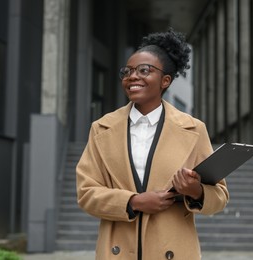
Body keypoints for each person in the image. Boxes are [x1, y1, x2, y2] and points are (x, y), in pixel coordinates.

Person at [76, 28, 229, 260]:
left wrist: (194, 191)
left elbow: (219, 197)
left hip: (174, 251)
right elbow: (86, 193)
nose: (132, 76)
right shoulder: (102, 128)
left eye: (144, 70)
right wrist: (133, 201)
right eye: (126, 71)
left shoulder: (194, 129)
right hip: (116, 251)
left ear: (165, 80)